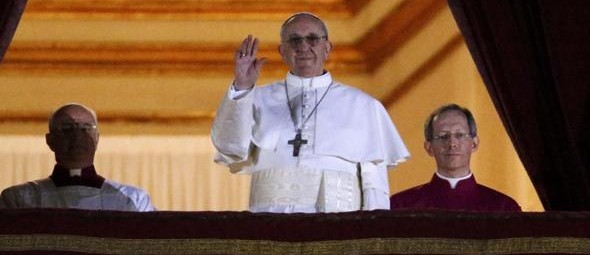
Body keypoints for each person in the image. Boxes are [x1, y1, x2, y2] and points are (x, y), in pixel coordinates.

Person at [211, 12, 410, 213]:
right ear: (282, 51)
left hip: (337, 228)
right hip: (269, 224)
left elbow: (375, 185)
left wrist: (374, 234)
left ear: (327, 48)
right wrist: (242, 86)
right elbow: (230, 148)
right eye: (294, 40)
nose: (303, 46)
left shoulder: (363, 106)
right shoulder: (253, 99)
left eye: (313, 38)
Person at [0, 103, 156, 211]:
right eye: (67, 128)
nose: (77, 136)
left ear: (97, 138)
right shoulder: (20, 200)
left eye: (86, 128)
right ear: (50, 140)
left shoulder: (132, 200)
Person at [390, 104, 521, 212]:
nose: (452, 143)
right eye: (443, 136)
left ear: (474, 144)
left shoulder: (503, 208)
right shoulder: (401, 207)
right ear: (429, 147)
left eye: (459, 135)